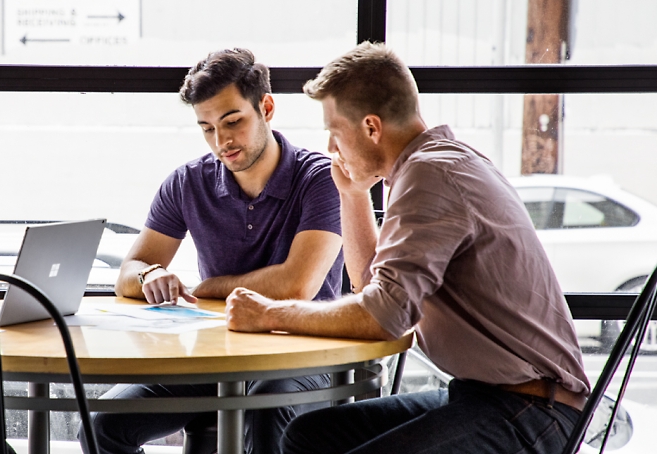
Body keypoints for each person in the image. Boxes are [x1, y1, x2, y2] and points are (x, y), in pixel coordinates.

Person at [225, 42, 591, 454]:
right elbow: (373, 290)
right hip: (489, 397)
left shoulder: (430, 175)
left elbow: (383, 317)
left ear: (371, 128)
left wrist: (269, 314)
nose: (331, 148)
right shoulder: (432, 163)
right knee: (308, 435)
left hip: (530, 410)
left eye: (335, 131)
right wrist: (353, 194)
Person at [83, 49, 344, 454]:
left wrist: (209, 287)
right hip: (217, 357)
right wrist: (150, 275)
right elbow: (129, 272)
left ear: (267, 107)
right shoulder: (188, 182)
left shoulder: (320, 178)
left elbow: (298, 285)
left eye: (232, 122)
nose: (221, 142)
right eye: (206, 128)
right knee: (102, 426)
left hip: (303, 351)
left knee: (263, 412)